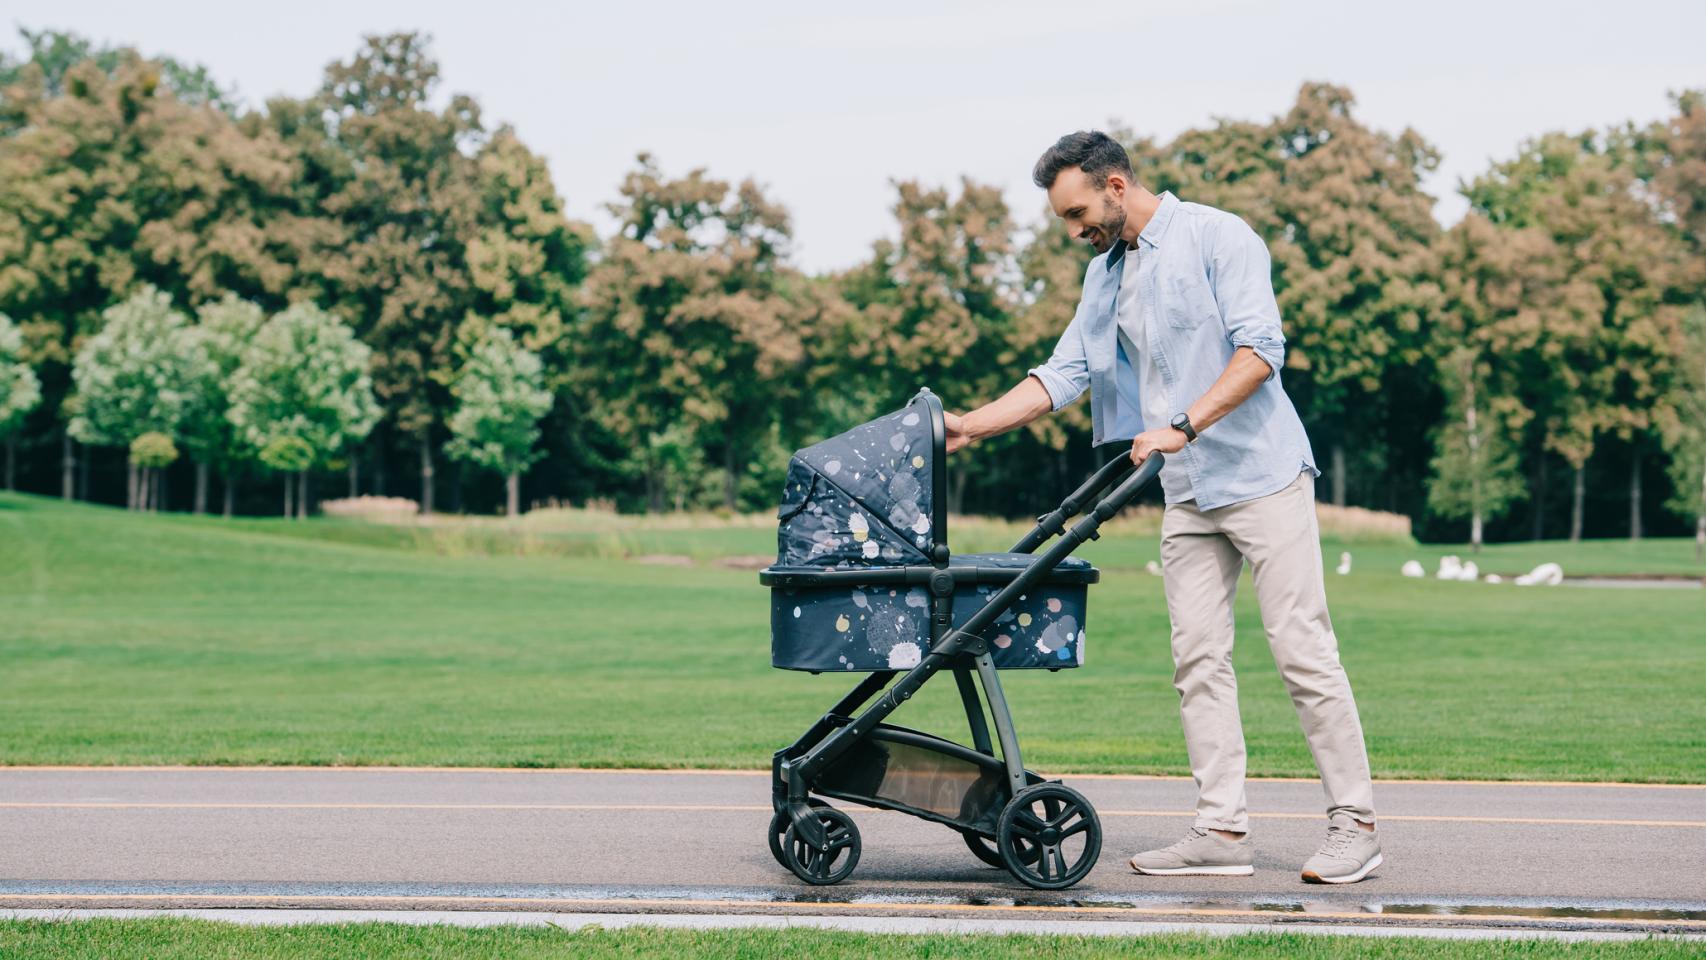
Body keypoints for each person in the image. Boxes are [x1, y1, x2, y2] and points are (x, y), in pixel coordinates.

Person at [943, 130, 1381, 884]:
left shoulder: (1218, 237)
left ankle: (1356, 827)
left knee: (1302, 651)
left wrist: (1182, 425)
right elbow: (1064, 374)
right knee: (1197, 660)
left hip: (1262, 475)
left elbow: (1260, 351)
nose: (1074, 230)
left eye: (1078, 212)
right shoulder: (1105, 276)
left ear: (1115, 185)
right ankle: (1221, 831)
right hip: (1187, 492)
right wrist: (970, 426)